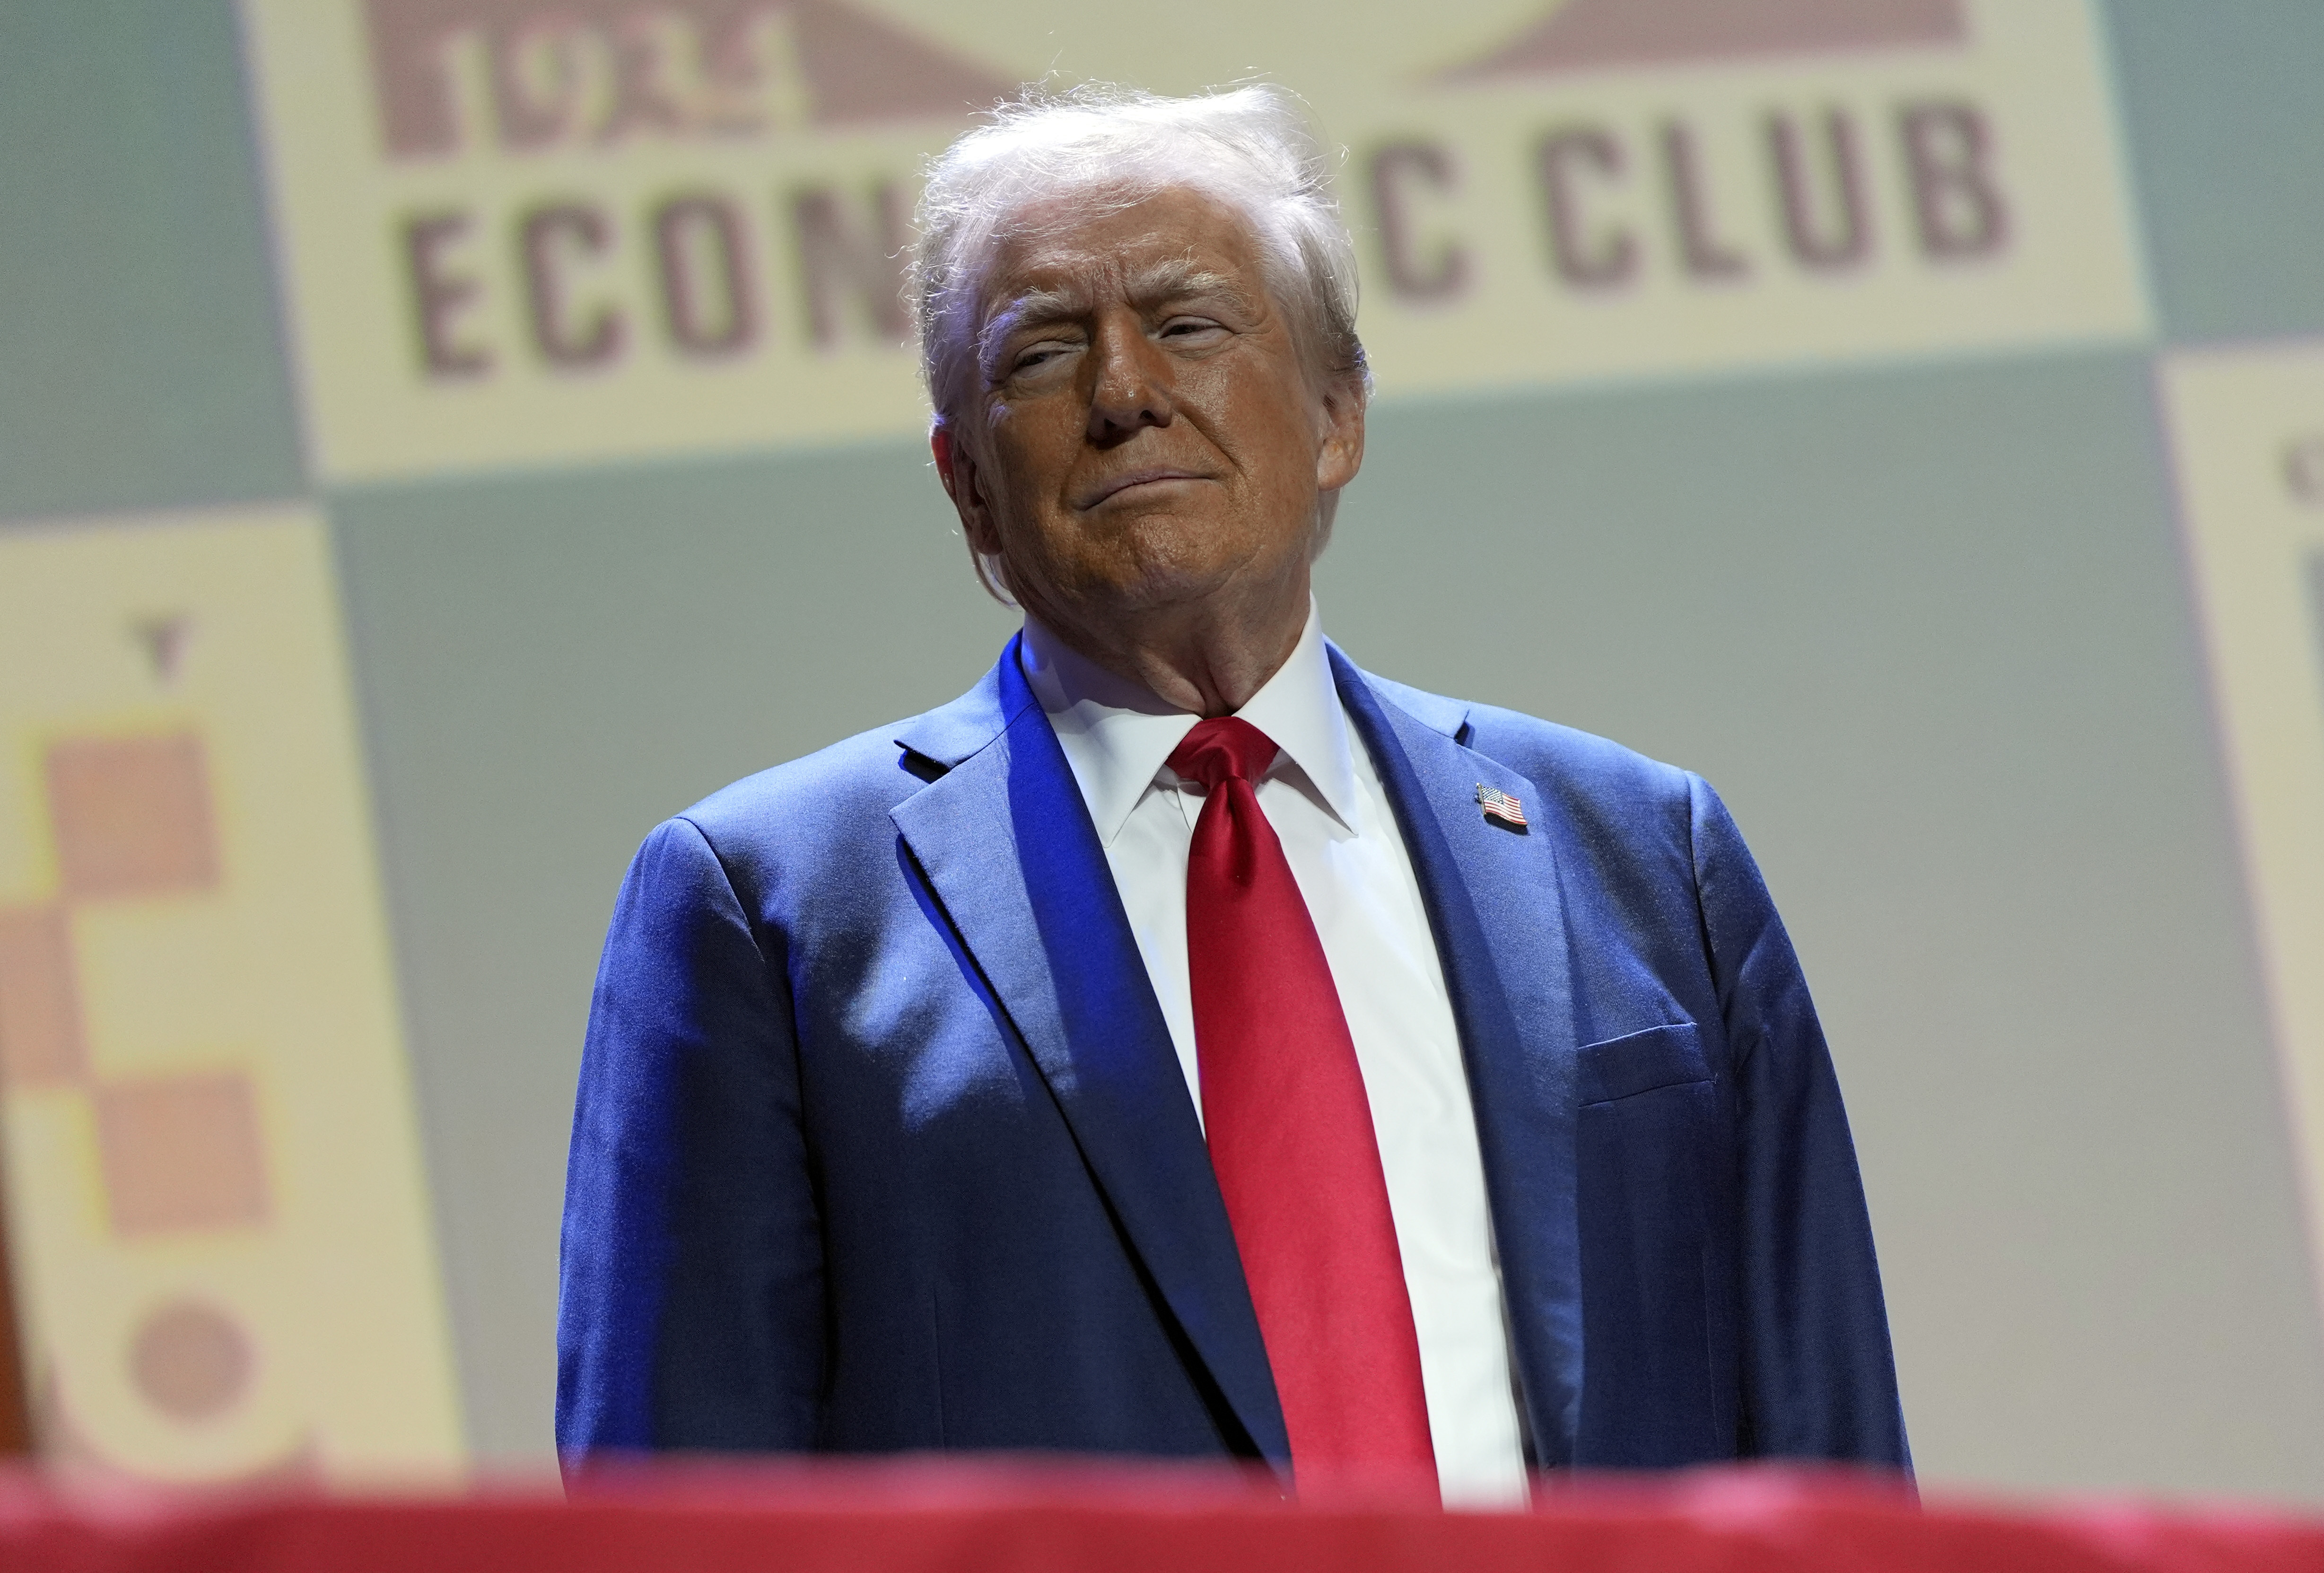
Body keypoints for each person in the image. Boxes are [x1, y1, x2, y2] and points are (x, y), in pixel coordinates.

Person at [556, 84, 1906, 1505]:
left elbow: (1831, 1469)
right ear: (965, 489)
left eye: (1188, 322)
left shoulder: (1645, 856)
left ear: (1338, 415)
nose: (1125, 392)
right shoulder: (769, 909)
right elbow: (678, 1512)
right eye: (1041, 353)